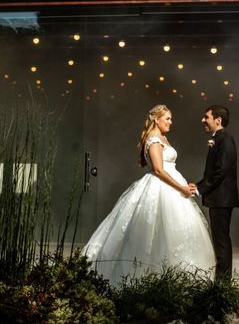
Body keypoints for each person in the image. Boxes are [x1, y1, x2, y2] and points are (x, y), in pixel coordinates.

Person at [82, 104, 215, 285]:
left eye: (170, 119)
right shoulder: (153, 139)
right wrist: (181, 188)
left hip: (170, 186)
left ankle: (178, 278)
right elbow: (159, 170)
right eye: (167, 118)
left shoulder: (162, 138)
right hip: (161, 186)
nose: (170, 122)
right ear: (156, 119)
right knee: (152, 230)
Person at [189, 105, 239, 281]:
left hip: (222, 199)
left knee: (221, 241)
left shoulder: (225, 139)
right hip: (219, 198)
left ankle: (223, 284)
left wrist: (200, 189)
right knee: (220, 240)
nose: (203, 120)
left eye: (206, 117)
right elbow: (215, 172)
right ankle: (222, 282)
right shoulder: (219, 138)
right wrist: (197, 185)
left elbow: (221, 170)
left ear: (218, 120)